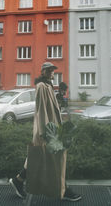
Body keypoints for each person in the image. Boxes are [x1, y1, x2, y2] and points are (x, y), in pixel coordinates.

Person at [9, 62, 82, 202]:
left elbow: (52, 108)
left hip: (51, 128)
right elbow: (41, 110)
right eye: (48, 70)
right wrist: (45, 132)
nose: (51, 72)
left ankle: (18, 180)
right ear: (42, 72)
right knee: (56, 159)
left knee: (38, 157)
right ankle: (64, 189)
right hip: (48, 130)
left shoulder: (48, 86)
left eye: (52, 70)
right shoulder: (42, 86)